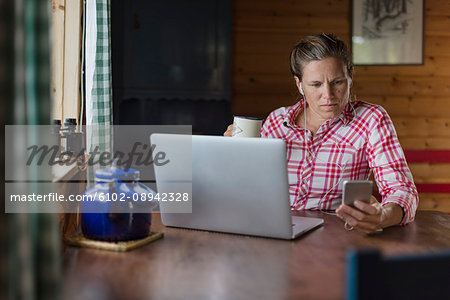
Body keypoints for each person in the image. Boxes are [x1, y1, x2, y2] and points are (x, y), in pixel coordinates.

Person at [224, 33, 418, 234]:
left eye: (337, 82)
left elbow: (402, 190)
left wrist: (383, 216)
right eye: (315, 84)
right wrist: (233, 155)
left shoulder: (371, 120)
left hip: (337, 234)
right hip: (274, 229)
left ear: (350, 77)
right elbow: (247, 187)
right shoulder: (276, 121)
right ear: (299, 85)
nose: (328, 95)